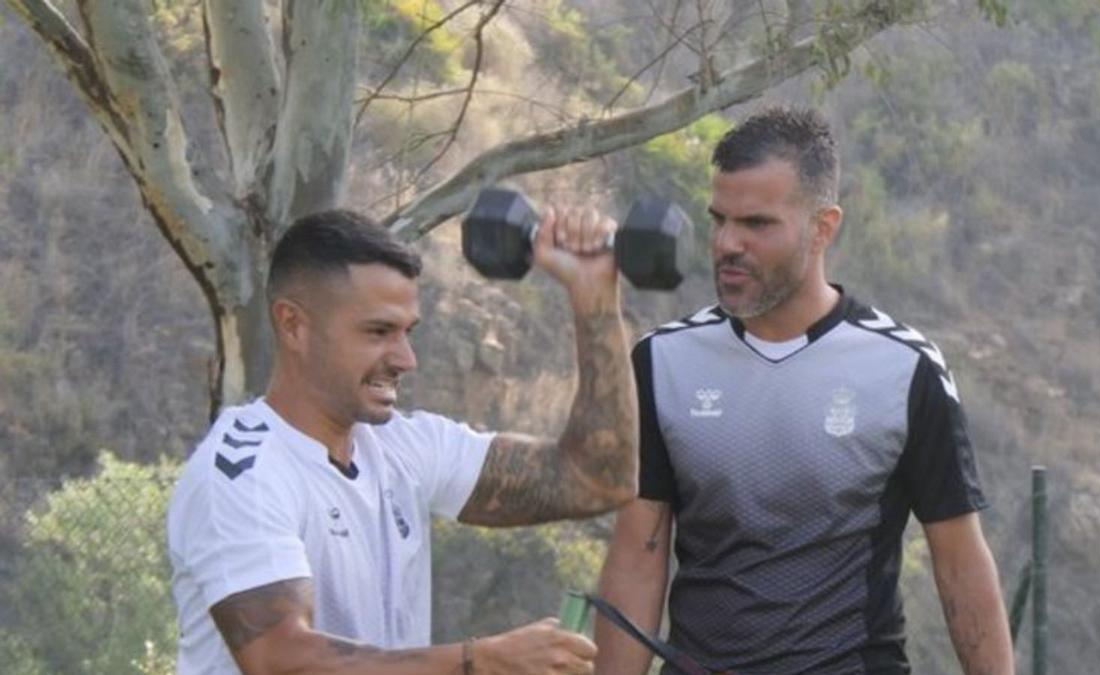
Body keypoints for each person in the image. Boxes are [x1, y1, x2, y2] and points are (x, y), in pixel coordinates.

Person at [594, 108, 1014, 674]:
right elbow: (638, 556)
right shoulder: (663, 361)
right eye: (719, 220)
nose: (726, 243)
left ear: (823, 227)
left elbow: (960, 563)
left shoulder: (904, 367)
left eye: (757, 224)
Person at [167, 205, 638, 674]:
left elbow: (596, 480)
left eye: (407, 332)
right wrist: (481, 661)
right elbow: (280, 660)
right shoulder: (240, 474)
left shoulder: (404, 445)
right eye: (378, 332)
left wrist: (593, 293)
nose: (405, 358)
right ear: (293, 324)